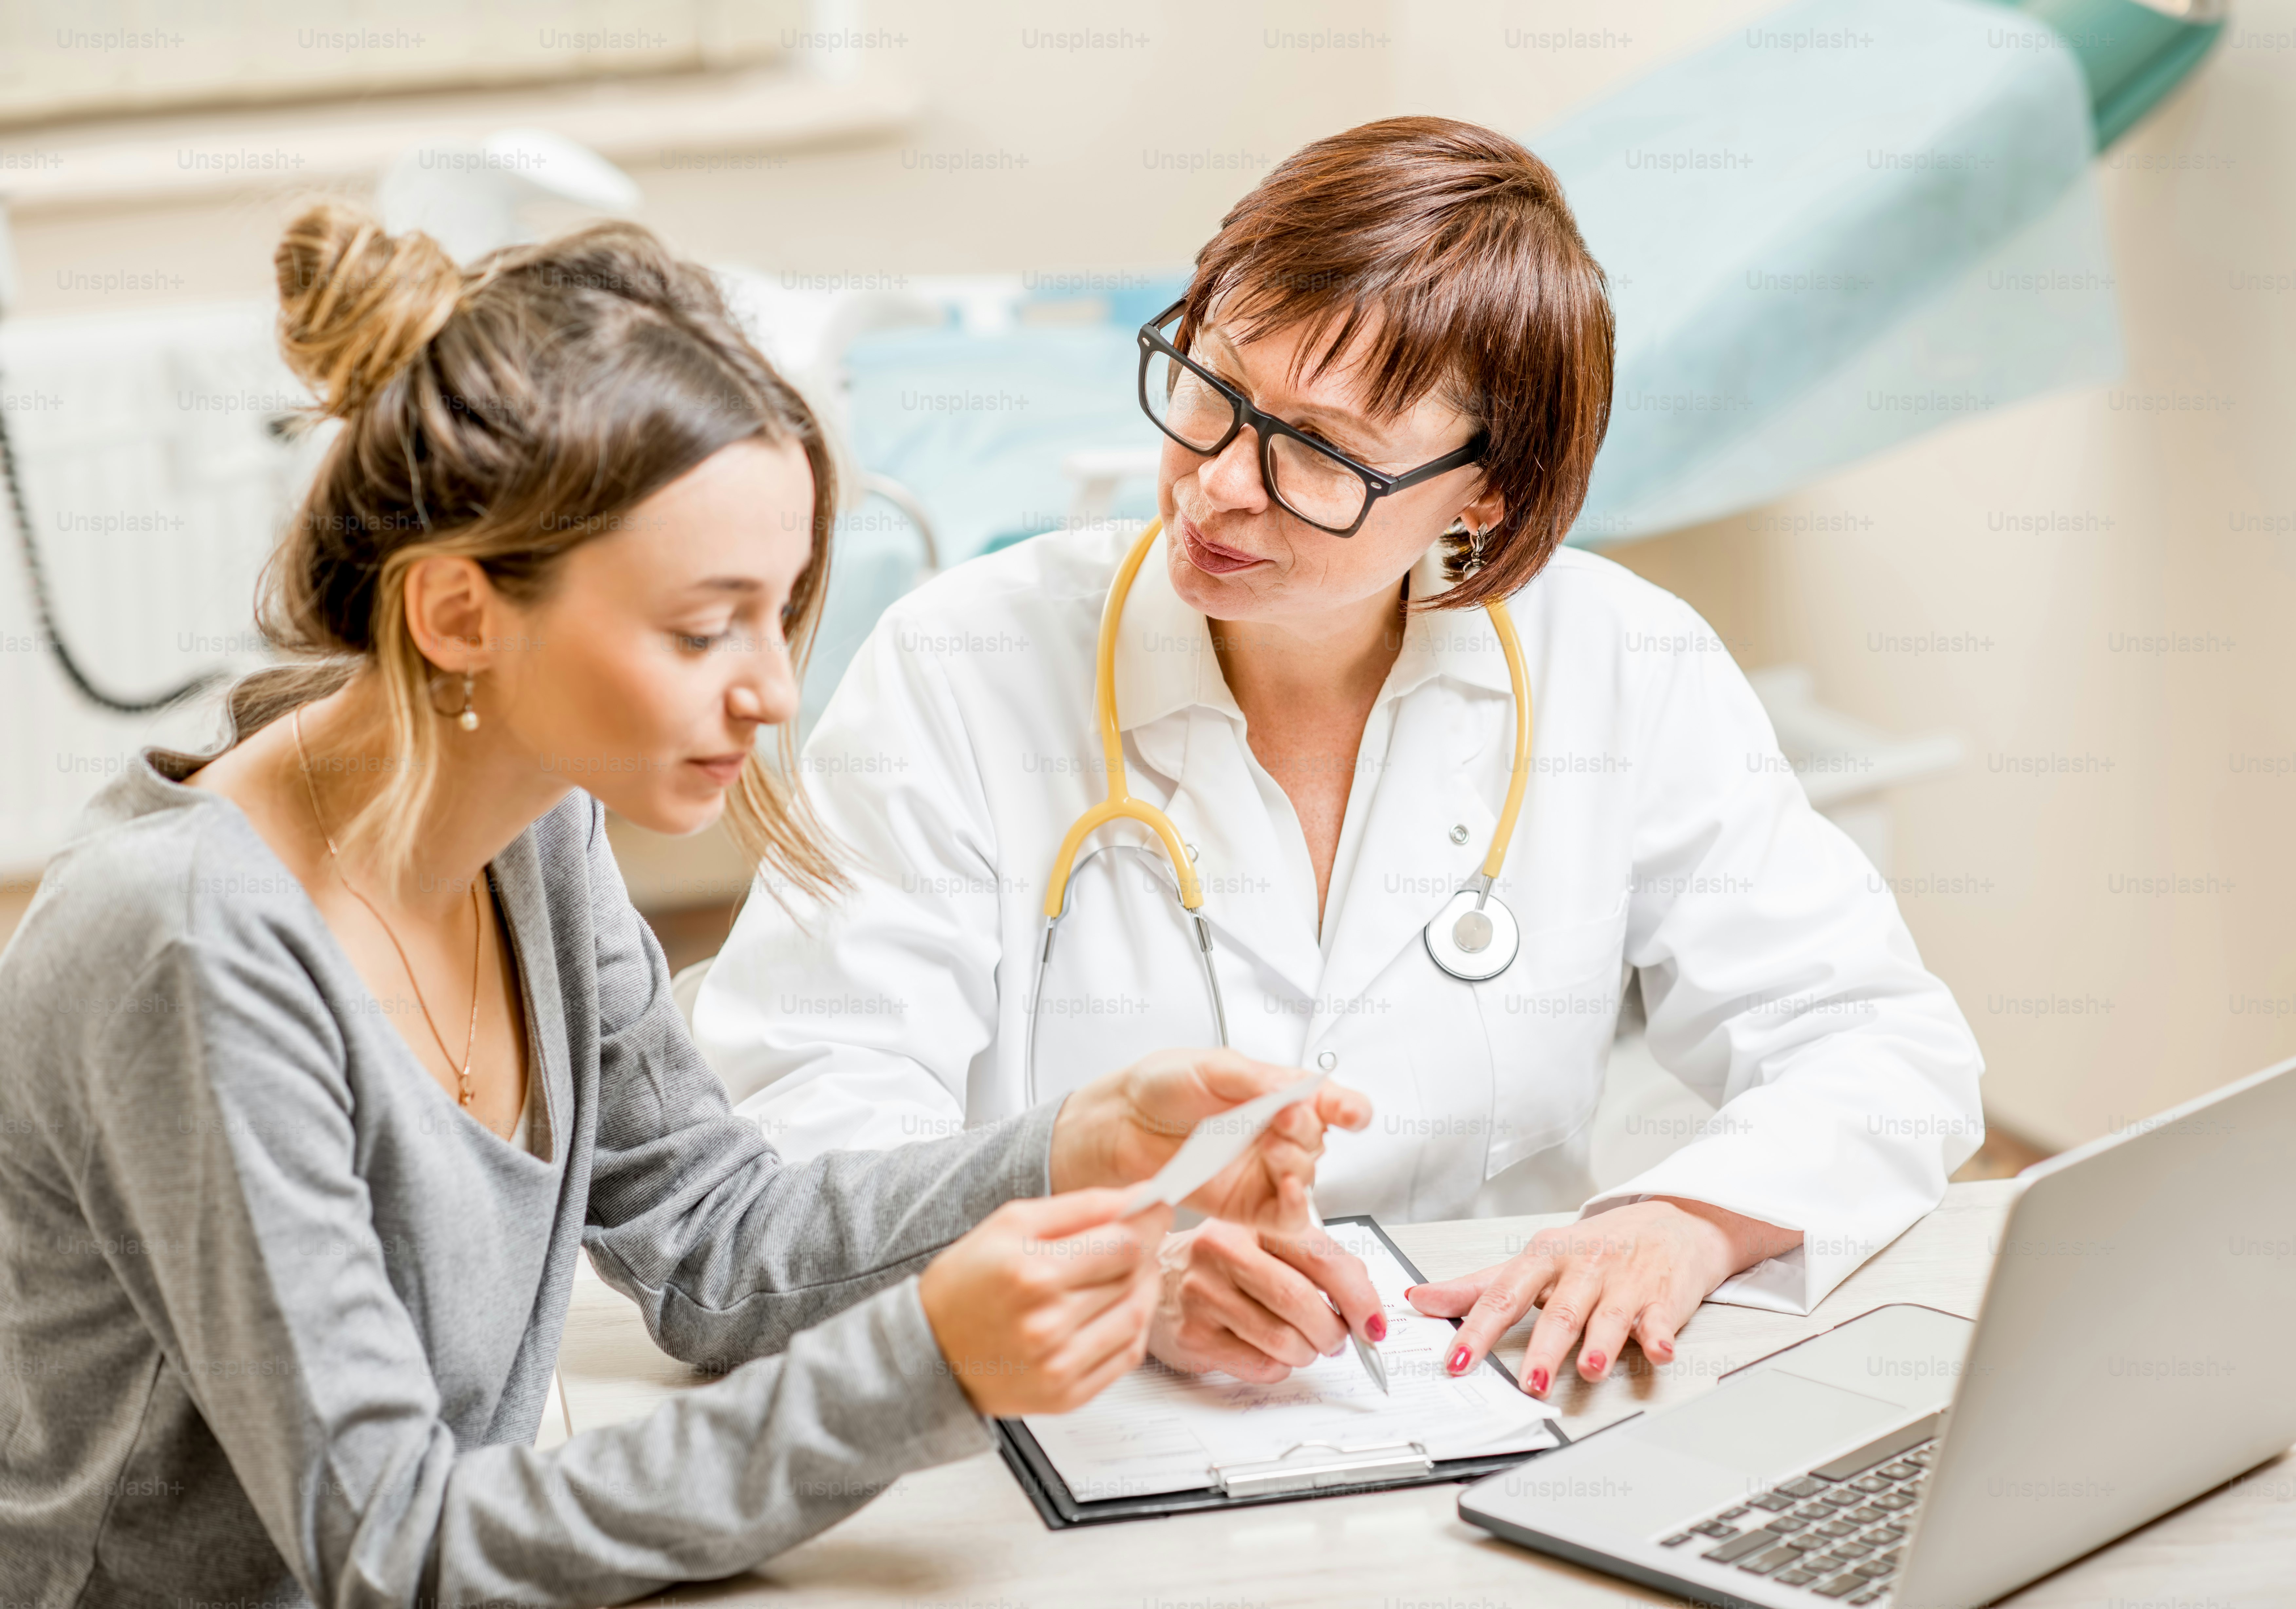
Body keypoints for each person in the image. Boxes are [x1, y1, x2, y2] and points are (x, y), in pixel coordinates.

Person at [0, 205, 1365, 1609]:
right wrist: (923, 1366)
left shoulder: (531, 827)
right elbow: (393, 1549)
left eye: (780, 614)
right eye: (704, 627)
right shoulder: (189, 945)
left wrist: (1073, 1151)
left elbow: (713, 1244)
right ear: (460, 615)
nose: (772, 690)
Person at [692, 116, 1987, 1401]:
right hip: (1067, 1411)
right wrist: (1117, 1278)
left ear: (1487, 493)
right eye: (1209, 387)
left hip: (1483, 1396)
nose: (1220, 486)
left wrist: (1689, 1217)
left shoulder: (1622, 664)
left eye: (1319, 454)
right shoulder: (964, 661)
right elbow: (806, 1129)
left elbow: (1875, 1040)